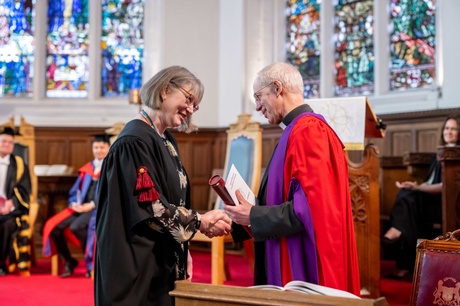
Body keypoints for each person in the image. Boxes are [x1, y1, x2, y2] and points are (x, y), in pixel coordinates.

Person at [95, 65, 232, 306]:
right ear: (165, 90)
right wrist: (200, 221)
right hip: (134, 264)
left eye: (196, 105)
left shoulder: (166, 140)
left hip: (160, 259)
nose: (190, 109)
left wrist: (182, 246)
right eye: (189, 99)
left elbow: (173, 200)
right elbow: (151, 208)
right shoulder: (134, 141)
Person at [223, 62, 361, 296]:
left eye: (259, 96)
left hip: (305, 264)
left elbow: (309, 207)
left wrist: (253, 214)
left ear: (277, 88)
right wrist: (243, 215)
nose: (257, 106)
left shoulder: (309, 131)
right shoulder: (297, 130)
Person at [383, 114, 460, 279]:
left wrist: (418, 188)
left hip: (445, 204)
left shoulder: (456, 155)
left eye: (454, 128)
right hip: (428, 199)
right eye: (447, 128)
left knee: (409, 199)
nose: (449, 132)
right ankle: (405, 259)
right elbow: (429, 182)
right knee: (406, 195)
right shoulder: (439, 153)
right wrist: (414, 185)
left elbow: (447, 187)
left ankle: (399, 244)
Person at [42, 134, 111, 278]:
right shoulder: (87, 169)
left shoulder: (111, 167)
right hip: (80, 207)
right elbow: (75, 191)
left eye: (102, 147)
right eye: (96, 147)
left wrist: (91, 205)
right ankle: (69, 260)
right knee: (53, 227)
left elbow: (110, 193)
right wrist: (74, 203)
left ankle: (91, 261)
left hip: (97, 209)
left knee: (75, 227)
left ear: (108, 148)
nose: (98, 150)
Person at [0, 126, 32, 276]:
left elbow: (24, 189)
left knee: (7, 224)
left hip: (10, 210)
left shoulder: (19, 165)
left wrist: (10, 204)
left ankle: (2, 263)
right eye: (4, 141)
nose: (7, 144)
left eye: (10, 142)